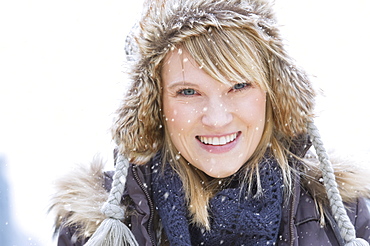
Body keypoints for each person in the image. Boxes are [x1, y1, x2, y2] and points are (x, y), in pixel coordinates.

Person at [49, 0, 370, 245]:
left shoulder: (341, 214)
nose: (217, 118)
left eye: (239, 86)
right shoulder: (93, 227)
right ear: (153, 104)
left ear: (274, 94)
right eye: (188, 91)